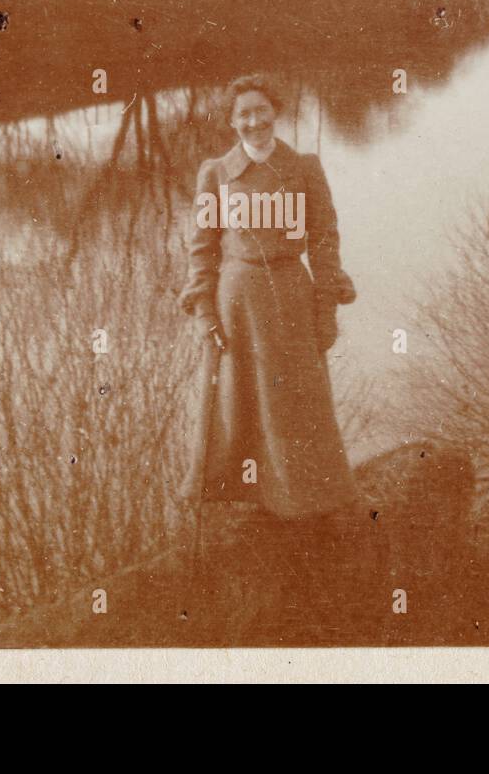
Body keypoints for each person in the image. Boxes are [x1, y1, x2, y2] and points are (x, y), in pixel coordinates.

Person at [178, 74, 360, 630]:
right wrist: (205, 310)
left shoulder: (304, 168)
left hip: (290, 292)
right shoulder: (216, 173)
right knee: (242, 401)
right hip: (237, 298)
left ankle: (309, 499)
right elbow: (202, 249)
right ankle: (255, 498)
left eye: (260, 112)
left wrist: (326, 303)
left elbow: (325, 237)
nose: (252, 123)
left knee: (299, 403)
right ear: (231, 121)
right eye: (242, 116)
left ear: (276, 112)